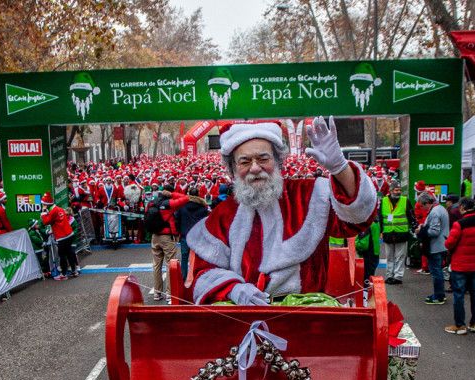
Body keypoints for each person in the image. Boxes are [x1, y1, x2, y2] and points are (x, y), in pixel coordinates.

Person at [186, 118, 376, 304]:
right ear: (233, 169)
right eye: (244, 162)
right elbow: (204, 273)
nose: (255, 168)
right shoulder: (223, 214)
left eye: (263, 159)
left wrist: (340, 168)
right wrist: (233, 289)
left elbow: (357, 218)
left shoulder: (310, 195)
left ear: (277, 161)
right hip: (243, 317)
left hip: (308, 319)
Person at [444, 197, 475, 335]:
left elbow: (449, 244)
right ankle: (474, 323)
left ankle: (460, 325)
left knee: (459, 294)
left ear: (463, 207)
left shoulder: (460, 224)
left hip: (460, 264)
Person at [143, 191, 178, 301]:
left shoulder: (151, 204)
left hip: (154, 236)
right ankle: (169, 294)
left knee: (156, 265)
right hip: (167, 237)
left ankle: (157, 293)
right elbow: (173, 220)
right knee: (170, 264)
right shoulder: (169, 205)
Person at [418, 192, 450, 304]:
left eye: (422, 206)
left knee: (436, 272)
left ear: (427, 203)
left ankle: (439, 296)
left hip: (436, 246)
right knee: (438, 271)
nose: (422, 209)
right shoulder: (440, 208)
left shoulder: (435, 212)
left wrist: (421, 230)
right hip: (441, 245)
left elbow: (434, 231)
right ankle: (440, 294)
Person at [173, 187, 210, 281]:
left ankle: (183, 278)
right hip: (198, 236)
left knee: (184, 258)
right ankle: (197, 278)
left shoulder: (182, 206)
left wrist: (178, 232)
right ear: (198, 195)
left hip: (185, 234)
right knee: (198, 258)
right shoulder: (203, 207)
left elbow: (177, 220)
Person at [379, 182, 411, 285]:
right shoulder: (383, 201)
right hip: (388, 233)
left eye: (399, 190)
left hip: (401, 233)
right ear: (391, 191)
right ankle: (389, 276)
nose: (398, 192)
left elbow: (411, 216)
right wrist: (381, 231)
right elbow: (380, 217)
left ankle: (398, 276)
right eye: (396, 190)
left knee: (400, 257)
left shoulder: (405, 201)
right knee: (389, 256)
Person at [41, 192, 78, 280]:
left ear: (46, 204)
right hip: (69, 234)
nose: (42, 205)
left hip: (62, 237)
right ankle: (74, 271)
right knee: (69, 253)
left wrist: (43, 212)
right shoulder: (59, 208)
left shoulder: (53, 211)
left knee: (62, 255)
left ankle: (64, 274)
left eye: (43, 204)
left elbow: (46, 222)